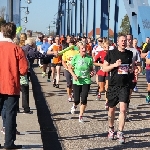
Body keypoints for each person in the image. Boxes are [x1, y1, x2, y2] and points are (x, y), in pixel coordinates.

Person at [0, 22, 28, 149]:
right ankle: (8, 143)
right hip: (11, 85)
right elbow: (23, 70)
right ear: (13, 33)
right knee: (10, 114)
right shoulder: (17, 49)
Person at [103, 35, 133, 144]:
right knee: (111, 110)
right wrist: (115, 65)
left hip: (124, 85)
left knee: (123, 109)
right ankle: (111, 129)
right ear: (118, 42)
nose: (124, 42)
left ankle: (120, 132)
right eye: (122, 41)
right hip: (113, 85)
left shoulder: (130, 54)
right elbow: (104, 68)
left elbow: (131, 66)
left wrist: (131, 69)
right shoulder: (111, 53)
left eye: (125, 41)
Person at [68, 42, 94, 123]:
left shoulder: (89, 58)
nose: (84, 49)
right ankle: (75, 105)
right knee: (76, 100)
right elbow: (69, 68)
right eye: (82, 48)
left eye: (85, 48)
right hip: (77, 81)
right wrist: (73, 75)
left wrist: (91, 72)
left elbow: (91, 68)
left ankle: (81, 115)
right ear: (79, 50)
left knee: (84, 98)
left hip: (86, 80)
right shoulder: (75, 57)